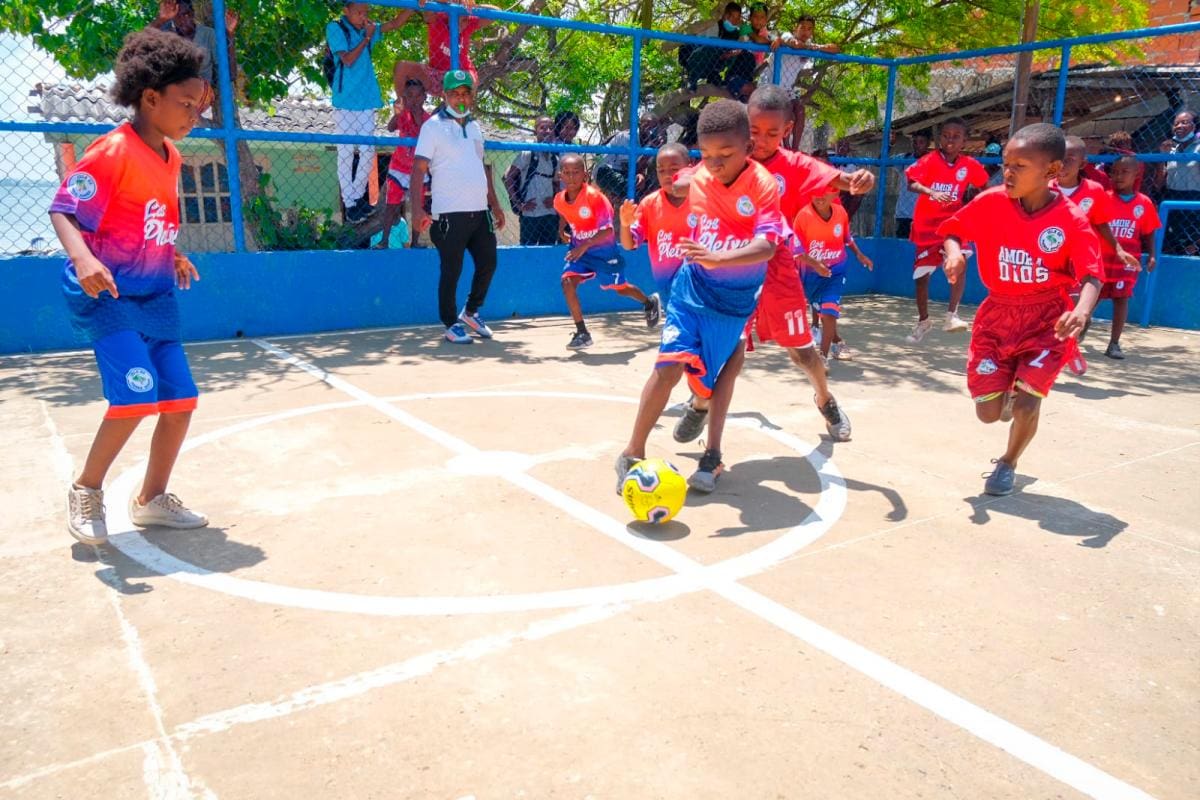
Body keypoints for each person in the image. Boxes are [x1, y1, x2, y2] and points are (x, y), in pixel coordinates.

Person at [50, 29, 212, 544]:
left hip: (155, 294)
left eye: (199, 106)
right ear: (149, 98)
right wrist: (82, 259)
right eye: (186, 104)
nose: (193, 115)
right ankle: (86, 488)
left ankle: (151, 500)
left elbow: (152, 221)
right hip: (109, 297)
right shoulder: (112, 151)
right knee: (136, 396)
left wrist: (176, 253)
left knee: (180, 400)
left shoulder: (171, 156)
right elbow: (64, 209)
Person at [614, 100, 782, 493]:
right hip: (691, 291)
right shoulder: (699, 175)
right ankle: (631, 453)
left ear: (749, 147)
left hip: (735, 300)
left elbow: (768, 244)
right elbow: (677, 179)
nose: (715, 163)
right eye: (706, 155)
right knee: (669, 365)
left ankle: (712, 450)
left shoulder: (762, 185)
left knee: (721, 373)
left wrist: (722, 257)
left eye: (725, 154)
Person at [939, 123, 1103, 496]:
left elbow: (1093, 274)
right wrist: (952, 255)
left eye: (1020, 166)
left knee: (1029, 402)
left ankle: (1008, 462)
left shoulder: (1071, 219)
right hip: (997, 315)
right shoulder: (991, 202)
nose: (1008, 172)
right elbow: (953, 231)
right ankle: (1010, 391)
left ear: (1052, 172)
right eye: (1006, 163)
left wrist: (1081, 311)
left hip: (1047, 320)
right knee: (988, 413)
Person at [411, 70, 506, 344]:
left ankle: (471, 312)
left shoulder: (475, 127)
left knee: (488, 263)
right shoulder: (432, 127)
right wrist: (417, 210)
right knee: (451, 270)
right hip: (449, 215)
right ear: (445, 95)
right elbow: (418, 170)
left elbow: (481, 168)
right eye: (454, 93)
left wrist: (496, 205)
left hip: (480, 213)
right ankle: (450, 322)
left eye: (465, 93)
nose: (460, 98)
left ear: (471, 96)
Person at [554, 154, 661, 350]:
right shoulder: (559, 200)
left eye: (576, 173)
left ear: (584, 175)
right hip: (580, 253)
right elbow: (566, 214)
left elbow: (608, 230)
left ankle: (648, 302)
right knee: (567, 282)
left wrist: (584, 245)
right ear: (560, 175)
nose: (571, 177)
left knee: (619, 288)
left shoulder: (596, 198)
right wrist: (562, 229)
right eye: (567, 173)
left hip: (604, 253)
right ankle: (582, 333)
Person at [1054, 135, 1140, 371]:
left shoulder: (1094, 191)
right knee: (1047, 308)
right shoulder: (1042, 185)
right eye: (1059, 158)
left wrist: (1119, 249)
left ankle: (1069, 347)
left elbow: (1102, 223)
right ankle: (1054, 348)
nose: (1062, 164)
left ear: (1082, 164)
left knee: (1072, 307)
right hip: (1047, 258)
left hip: (1077, 259)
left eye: (1070, 159)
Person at [327, 2, 414, 223]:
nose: (363, 16)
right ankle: (349, 203)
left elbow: (395, 23)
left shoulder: (368, 28)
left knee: (367, 151)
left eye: (366, 12)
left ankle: (356, 199)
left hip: (367, 100)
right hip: (345, 101)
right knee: (346, 152)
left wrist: (415, 5)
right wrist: (366, 38)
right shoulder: (336, 28)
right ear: (346, 10)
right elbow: (346, 60)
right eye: (358, 12)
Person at [904, 116, 988, 342]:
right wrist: (930, 192)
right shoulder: (930, 160)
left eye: (956, 137)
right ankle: (924, 321)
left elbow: (983, 185)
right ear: (940, 138)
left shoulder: (969, 165)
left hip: (953, 223)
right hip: (927, 227)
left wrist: (975, 201)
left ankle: (952, 314)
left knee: (959, 261)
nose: (950, 140)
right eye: (946, 136)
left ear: (964, 141)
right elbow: (911, 183)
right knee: (921, 277)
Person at [795, 188, 874, 362]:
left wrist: (859, 254)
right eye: (815, 192)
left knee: (829, 310)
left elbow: (847, 238)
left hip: (836, 271)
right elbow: (796, 251)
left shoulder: (840, 213)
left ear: (835, 194)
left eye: (825, 192)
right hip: (811, 274)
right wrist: (816, 265)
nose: (820, 197)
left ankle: (822, 357)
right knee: (821, 309)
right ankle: (837, 341)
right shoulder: (803, 216)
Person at [1097, 154, 1161, 359]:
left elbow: (1149, 231)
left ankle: (1114, 343)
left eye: (1124, 172)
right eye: (1114, 172)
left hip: (1127, 260)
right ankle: (1078, 331)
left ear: (1136, 174)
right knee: (1090, 297)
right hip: (1101, 257)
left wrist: (1151, 254)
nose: (1118, 176)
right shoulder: (1103, 198)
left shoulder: (1144, 203)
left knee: (1121, 298)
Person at [619, 143, 694, 298]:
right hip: (668, 287)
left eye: (674, 169)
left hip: (700, 286)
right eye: (661, 170)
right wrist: (625, 225)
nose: (667, 175)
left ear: (689, 168)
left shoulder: (704, 199)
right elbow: (629, 244)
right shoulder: (649, 204)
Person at [392, 2, 498, 100]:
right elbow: (427, 12)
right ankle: (403, 110)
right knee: (402, 66)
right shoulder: (438, 18)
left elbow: (496, 12)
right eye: (457, 19)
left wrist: (473, 6)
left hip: (461, 74)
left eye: (465, 20)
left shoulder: (469, 23)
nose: (461, 24)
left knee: (470, 81)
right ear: (449, 16)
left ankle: (460, 115)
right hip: (435, 75)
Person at [771, 14, 839, 151]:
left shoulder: (808, 45)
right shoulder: (786, 36)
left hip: (787, 89)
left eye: (809, 29)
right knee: (788, 112)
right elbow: (795, 44)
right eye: (802, 27)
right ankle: (786, 147)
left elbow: (835, 49)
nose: (805, 32)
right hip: (771, 85)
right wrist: (812, 47)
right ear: (795, 28)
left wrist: (815, 47)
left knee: (800, 109)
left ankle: (795, 149)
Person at [381, 78, 430, 249]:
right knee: (391, 206)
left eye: (418, 96)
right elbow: (390, 127)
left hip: (418, 170)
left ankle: (415, 242)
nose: (414, 100)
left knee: (418, 206)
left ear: (425, 97)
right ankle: (384, 240)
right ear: (404, 97)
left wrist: (416, 115)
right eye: (409, 96)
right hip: (399, 168)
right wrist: (398, 112)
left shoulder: (428, 119)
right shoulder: (403, 115)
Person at [147, 0, 237, 92]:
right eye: (178, 16)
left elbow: (230, 74)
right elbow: (140, 45)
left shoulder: (208, 35)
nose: (183, 20)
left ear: (193, 14)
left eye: (186, 14)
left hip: (199, 96)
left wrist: (230, 33)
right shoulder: (166, 34)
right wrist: (161, 19)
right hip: (172, 95)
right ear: (172, 18)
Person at [503, 116, 560, 246]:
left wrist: (555, 200)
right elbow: (509, 178)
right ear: (536, 132)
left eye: (551, 128)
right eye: (542, 128)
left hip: (549, 214)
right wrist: (519, 204)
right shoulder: (527, 153)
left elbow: (556, 184)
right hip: (530, 214)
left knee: (548, 251)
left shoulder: (554, 159)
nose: (547, 131)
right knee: (527, 251)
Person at [1156, 110, 1200, 255]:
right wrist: (1162, 157)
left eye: (1184, 122)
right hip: (1171, 197)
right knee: (1170, 246)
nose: (1179, 126)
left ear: (1195, 126)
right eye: (1176, 123)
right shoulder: (1171, 149)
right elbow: (1158, 183)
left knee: (1191, 248)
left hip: (1193, 200)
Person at [893, 130, 930, 238]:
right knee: (902, 248)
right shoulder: (905, 158)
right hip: (904, 214)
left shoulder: (933, 161)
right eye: (914, 142)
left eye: (921, 142)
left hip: (924, 215)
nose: (917, 145)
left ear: (928, 143)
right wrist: (890, 144)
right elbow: (881, 161)